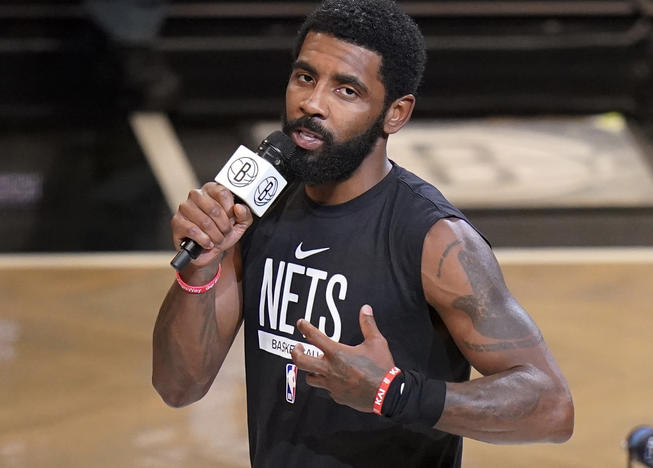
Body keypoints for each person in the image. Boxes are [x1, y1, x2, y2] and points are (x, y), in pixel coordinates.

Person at [152, 1, 574, 466]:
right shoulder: (256, 209)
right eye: (305, 77)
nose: (312, 103)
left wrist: (394, 394)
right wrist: (200, 269)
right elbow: (178, 386)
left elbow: (553, 408)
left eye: (346, 90)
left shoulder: (434, 239)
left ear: (395, 113)